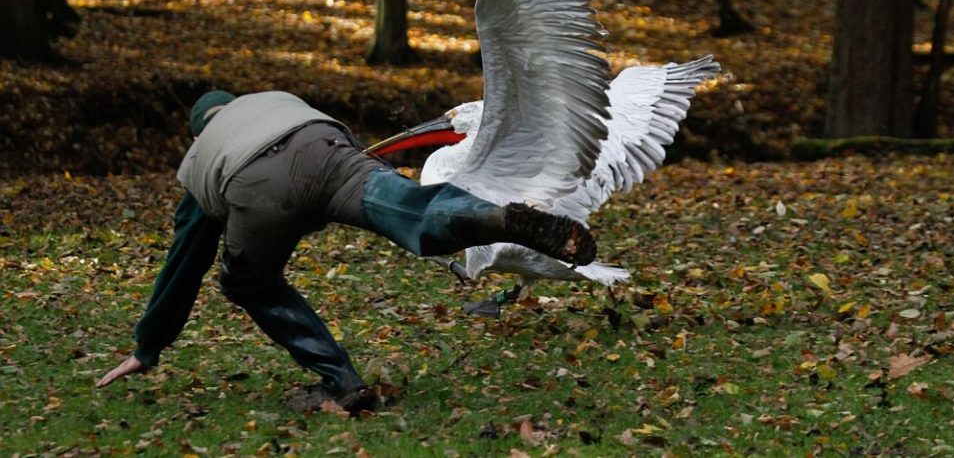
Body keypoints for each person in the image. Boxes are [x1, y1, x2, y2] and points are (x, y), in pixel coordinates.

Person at [96, 90, 596, 414]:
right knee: (411, 209)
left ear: (201, 129)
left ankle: (342, 382)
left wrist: (149, 344)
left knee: (249, 283)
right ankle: (500, 218)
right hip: (324, 143)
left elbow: (187, 259)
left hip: (255, 182)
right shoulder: (274, 99)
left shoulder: (202, 154)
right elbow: (341, 136)